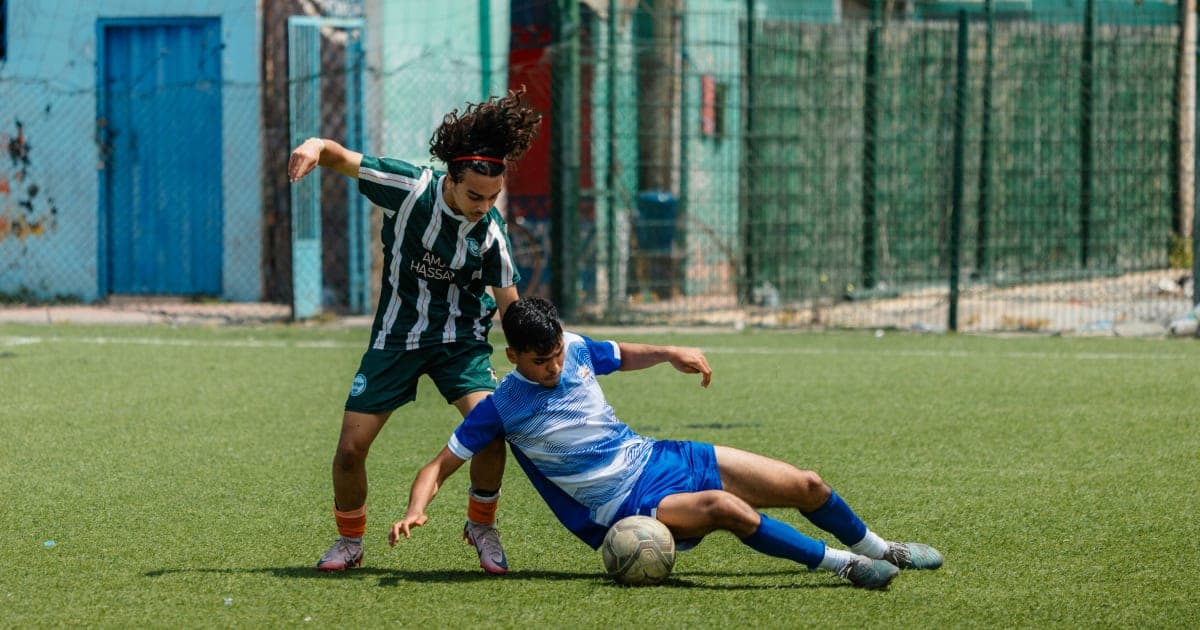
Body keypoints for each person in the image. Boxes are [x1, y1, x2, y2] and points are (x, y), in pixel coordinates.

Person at [389, 297, 943, 589]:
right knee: (727, 508)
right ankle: (842, 566)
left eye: (557, 352)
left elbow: (621, 353)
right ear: (513, 357)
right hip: (624, 505)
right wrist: (416, 510)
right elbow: (439, 465)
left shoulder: (576, 348)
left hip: (660, 456)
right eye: (541, 360)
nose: (555, 365)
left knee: (807, 484)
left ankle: (880, 547)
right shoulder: (501, 407)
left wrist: (672, 351)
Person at [287, 88, 542, 574]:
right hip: (396, 338)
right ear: (451, 179)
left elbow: (511, 309)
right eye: (474, 195)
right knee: (349, 451)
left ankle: (482, 527)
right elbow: (341, 158)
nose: (483, 206)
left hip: (460, 344)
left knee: (490, 434)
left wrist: (540, 360)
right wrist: (314, 145)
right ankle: (349, 542)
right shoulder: (408, 188)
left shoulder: (491, 234)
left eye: (493, 197)